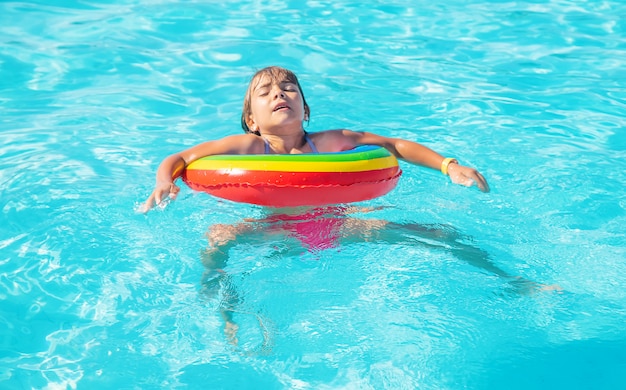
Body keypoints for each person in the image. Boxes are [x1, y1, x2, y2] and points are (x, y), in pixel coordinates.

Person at [142, 66, 489, 212]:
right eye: (266, 93)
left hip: (338, 219)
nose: (279, 94)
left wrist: (449, 166)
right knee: (217, 239)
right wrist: (163, 181)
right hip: (271, 226)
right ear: (252, 120)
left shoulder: (329, 142)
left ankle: (513, 284)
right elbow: (182, 158)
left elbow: (394, 146)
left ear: (304, 110)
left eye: (288, 89)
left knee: (436, 234)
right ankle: (229, 315)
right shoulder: (250, 146)